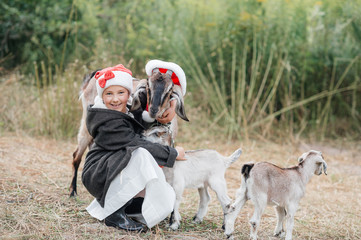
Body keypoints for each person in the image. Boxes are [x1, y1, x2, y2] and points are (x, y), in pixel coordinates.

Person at [81, 64, 186, 232]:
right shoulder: (106, 120)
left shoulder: (127, 111)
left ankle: (131, 206)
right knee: (141, 154)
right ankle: (113, 213)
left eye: (120, 93)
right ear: (102, 96)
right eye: (109, 94)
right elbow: (134, 142)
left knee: (163, 197)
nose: (115, 99)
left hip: (114, 166)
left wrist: (172, 106)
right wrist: (173, 153)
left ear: (129, 94)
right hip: (98, 172)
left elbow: (157, 93)